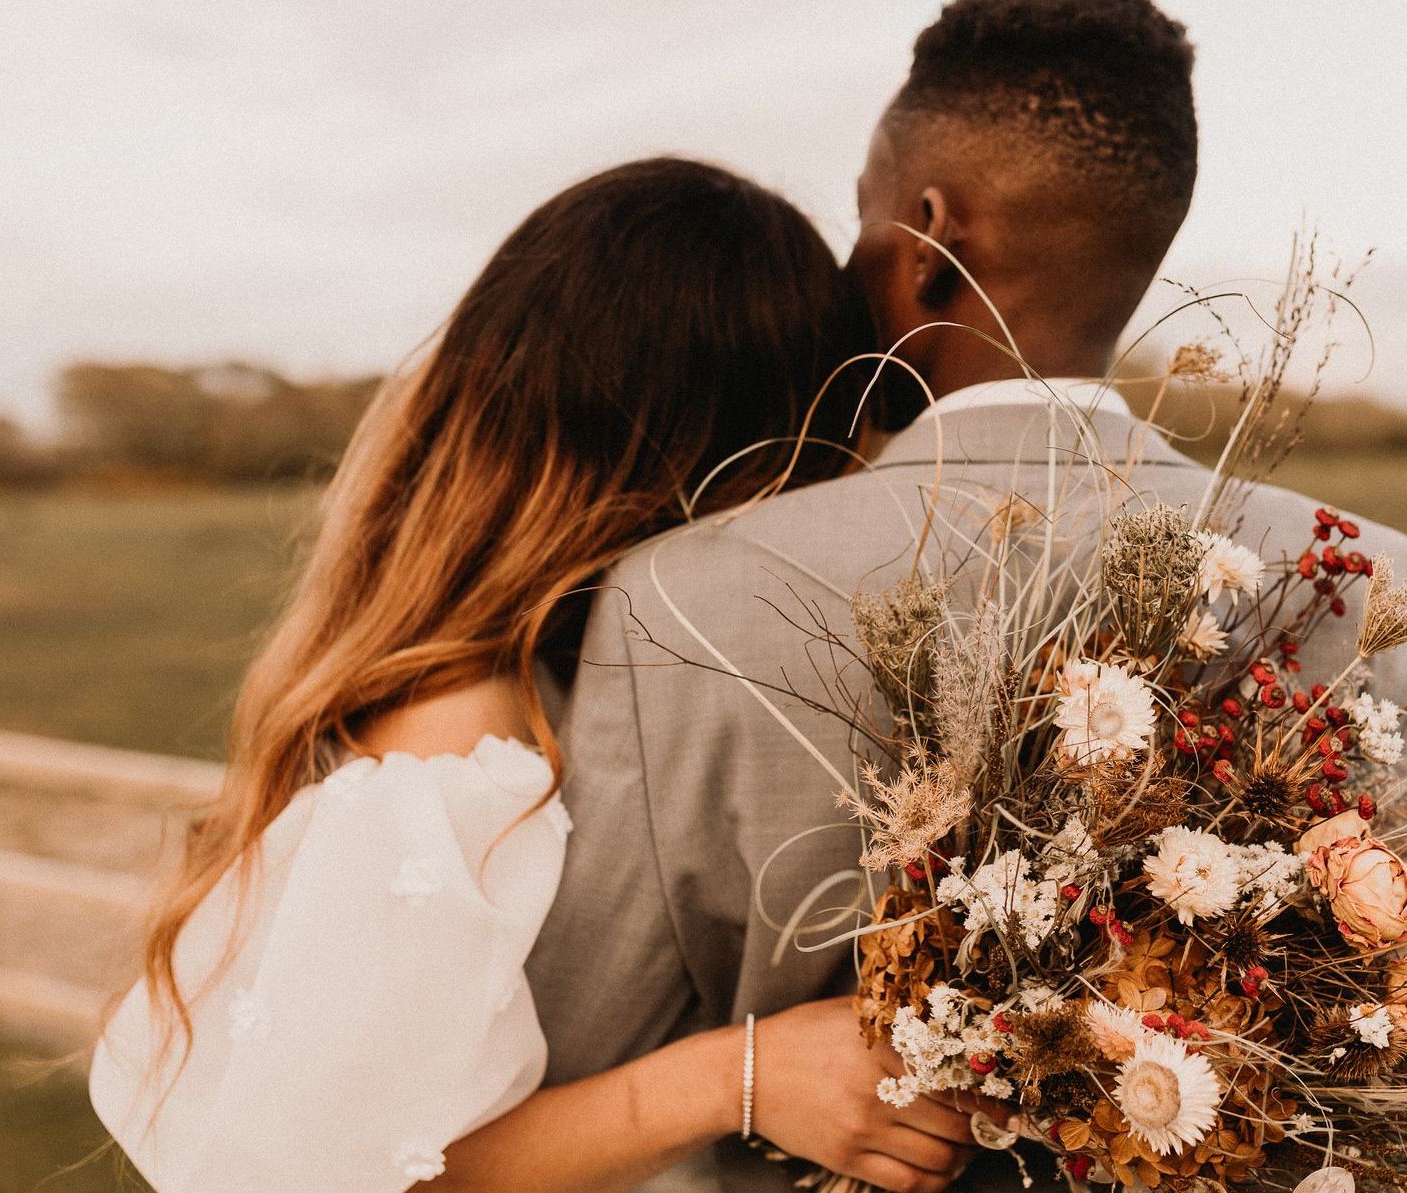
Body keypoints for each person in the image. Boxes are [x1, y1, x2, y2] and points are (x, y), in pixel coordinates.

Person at [521, 2, 1407, 1192]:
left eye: (861, 218)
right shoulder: (1392, 593)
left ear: (924, 238)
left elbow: (568, 1069)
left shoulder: (683, 591)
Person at [88, 157, 986, 1193]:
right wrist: (738, 1074)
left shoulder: (507, 678)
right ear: (738, 454)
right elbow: (337, 1173)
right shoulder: (464, 734)